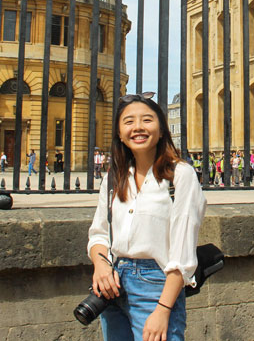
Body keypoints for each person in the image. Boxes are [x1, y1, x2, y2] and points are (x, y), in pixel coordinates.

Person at [87, 92, 206, 341]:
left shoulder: (180, 175)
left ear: (161, 130)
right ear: (119, 132)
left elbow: (182, 253)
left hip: (156, 285)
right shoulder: (114, 177)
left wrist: (163, 310)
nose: (138, 127)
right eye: (129, 121)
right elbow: (99, 233)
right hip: (113, 285)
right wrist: (100, 265)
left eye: (147, 120)